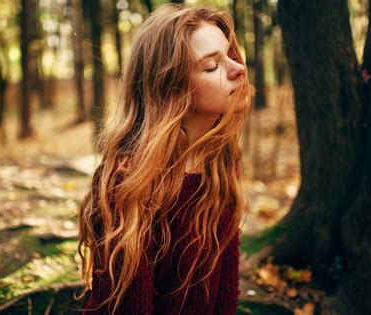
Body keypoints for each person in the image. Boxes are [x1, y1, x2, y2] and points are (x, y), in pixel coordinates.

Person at [75, 3, 252, 315]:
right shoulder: (129, 180)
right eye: (211, 66)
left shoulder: (222, 162)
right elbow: (130, 306)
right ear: (172, 90)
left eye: (230, 55)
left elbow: (225, 288)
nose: (238, 69)